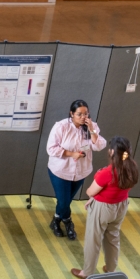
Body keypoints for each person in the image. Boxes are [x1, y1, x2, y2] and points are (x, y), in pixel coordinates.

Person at [72, 137, 139, 279]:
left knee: (93, 239)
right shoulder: (132, 167)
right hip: (121, 206)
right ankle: (110, 269)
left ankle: (87, 272)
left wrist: (94, 197)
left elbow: (90, 192)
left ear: (112, 152)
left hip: (103, 209)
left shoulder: (106, 172)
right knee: (113, 237)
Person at [46, 100, 106, 241]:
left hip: (81, 171)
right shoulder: (61, 126)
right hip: (60, 171)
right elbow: (51, 148)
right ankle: (68, 222)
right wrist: (72, 154)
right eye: (79, 114)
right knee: (64, 201)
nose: (83, 117)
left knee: (65, 202)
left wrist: (92, 129)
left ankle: (55, 221)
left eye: (85, 114)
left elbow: (99, 146)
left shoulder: (92, 126)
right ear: (72, 114)